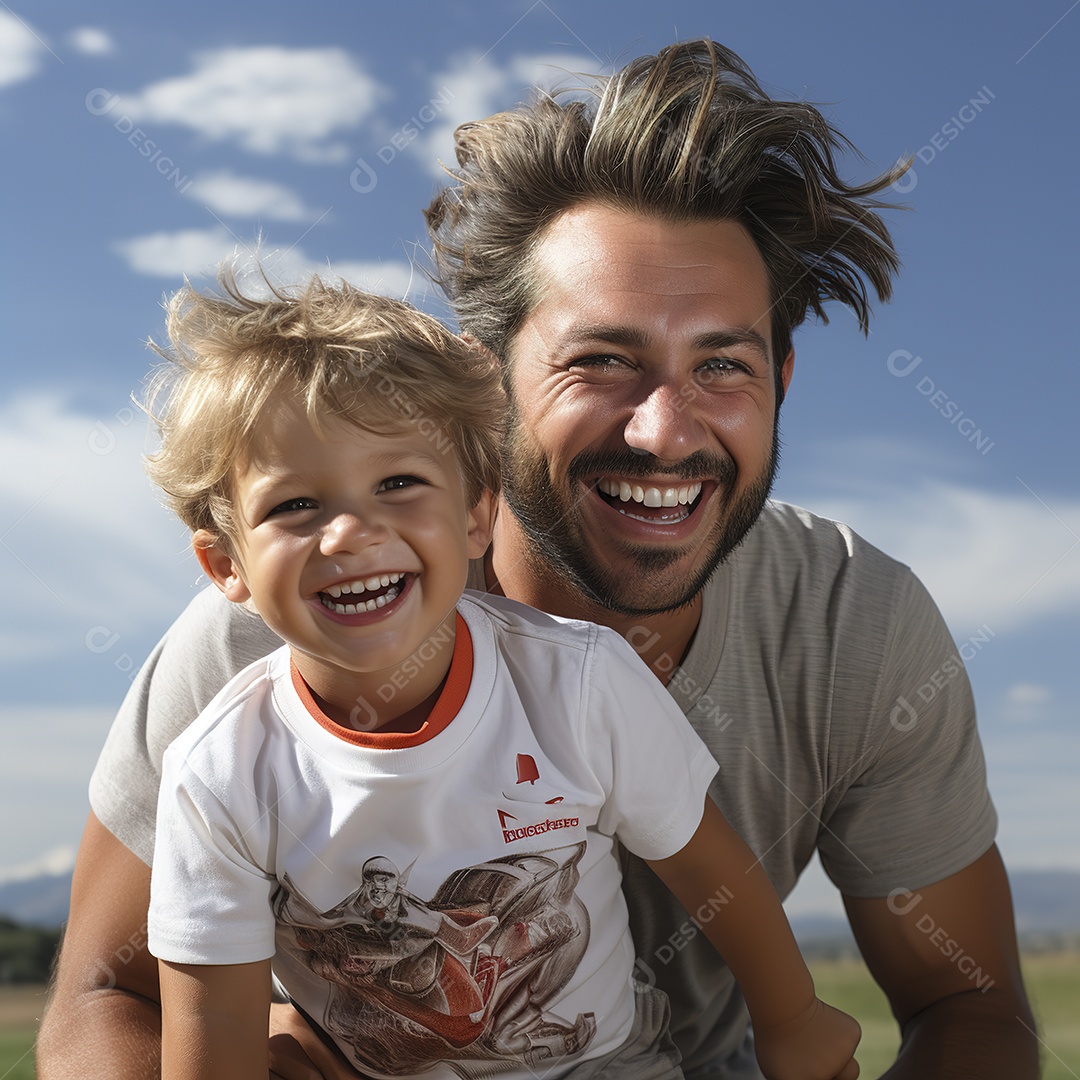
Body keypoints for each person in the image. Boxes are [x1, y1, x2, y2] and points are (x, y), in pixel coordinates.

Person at [38, 38, 1037, 1080]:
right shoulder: (264, 638)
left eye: (722, 365)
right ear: (489, 382)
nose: (664, 432)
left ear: (781, 378)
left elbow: (968, 1004)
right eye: (600, 360)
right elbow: (102, 997)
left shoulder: (856, 628)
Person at [139, 272, 859, 1080]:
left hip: (605, 1066)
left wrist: (793, 1018)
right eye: (295, 506)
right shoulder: (219, 773)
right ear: (224, 564)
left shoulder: (578, 683)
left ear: (478, 515)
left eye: (399, 484)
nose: (350, 533)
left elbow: (708, 866)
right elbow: (217, 1021)